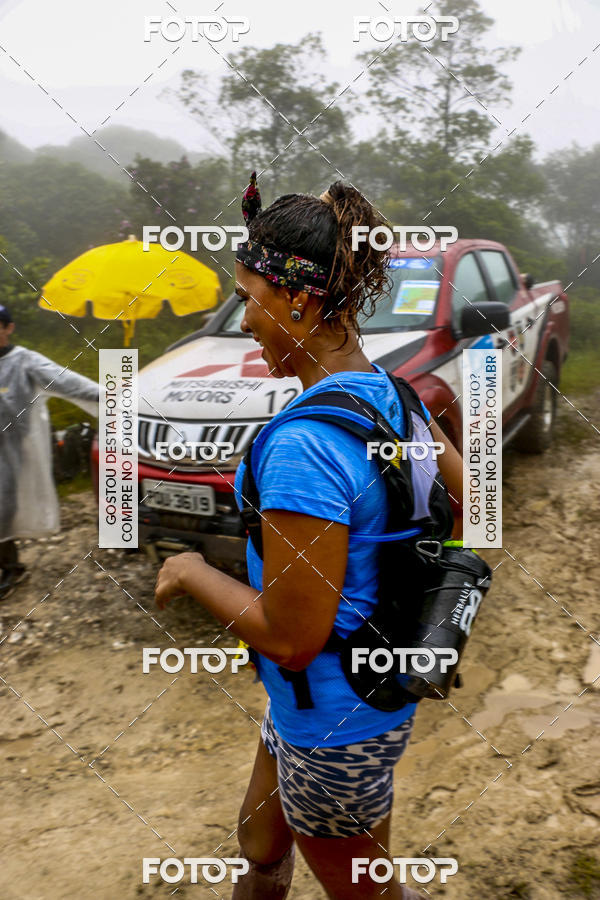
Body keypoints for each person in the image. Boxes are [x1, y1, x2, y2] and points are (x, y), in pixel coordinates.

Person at [154, 182, 464, 900]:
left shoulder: (304, 444)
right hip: (364, 688)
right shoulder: (394, 393)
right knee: (260, 842)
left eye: (249, 298)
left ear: (301, 301)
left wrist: (191, 568)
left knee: (366, 892)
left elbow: (291, 638)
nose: (246, 322)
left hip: (330, 717)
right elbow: (477, 504)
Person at [0, 303, 99, 599]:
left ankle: (10, 567)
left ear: (8, 327)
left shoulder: (24, 362)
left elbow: (67, 382)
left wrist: (109, 395)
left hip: (8, 452)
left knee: (2, 507)